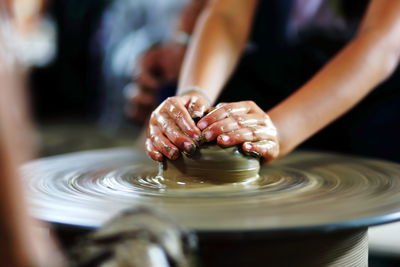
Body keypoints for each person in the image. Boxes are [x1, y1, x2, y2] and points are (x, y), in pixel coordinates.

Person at [145, 0, 400, 164]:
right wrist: (193, 96)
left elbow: (380, 43)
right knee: (184, 109)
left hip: (377, 80)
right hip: (297, 56)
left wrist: (278, 131)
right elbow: (227, 17)